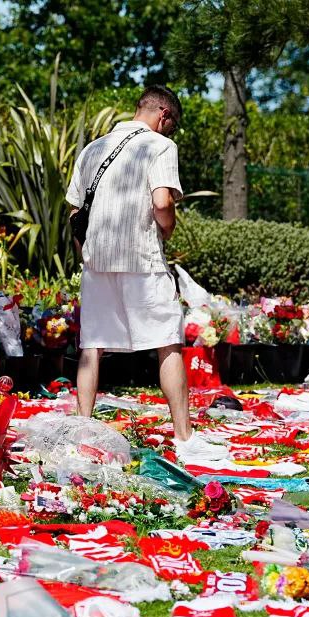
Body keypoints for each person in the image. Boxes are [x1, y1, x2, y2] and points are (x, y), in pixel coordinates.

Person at [67, 85, 224, 461]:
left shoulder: (93, 149)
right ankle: (184, 438)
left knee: (92, 347)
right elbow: (162, 202)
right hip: (142, 258)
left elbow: (74, 213)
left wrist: (86, 254)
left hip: (97, 261)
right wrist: (167, 230)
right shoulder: (160, 146)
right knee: (167, 342)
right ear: (164, 115)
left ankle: (83, 430)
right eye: (173, 124)